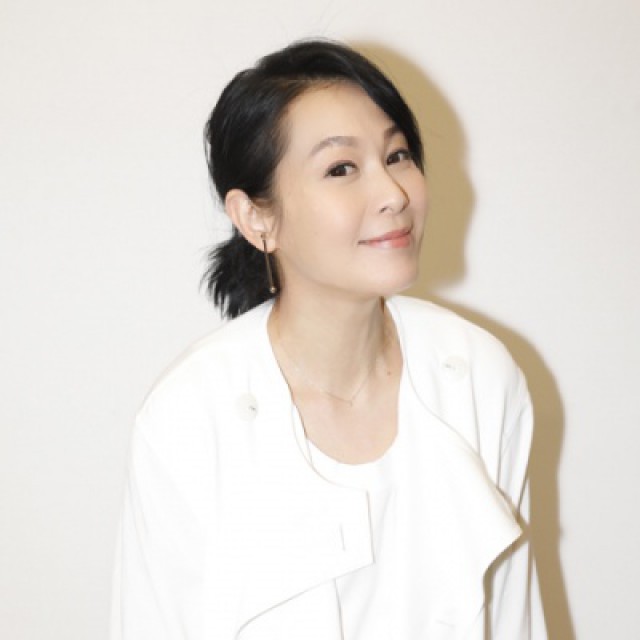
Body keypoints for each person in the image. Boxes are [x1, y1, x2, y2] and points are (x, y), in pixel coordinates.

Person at [110, 39, 546, 639]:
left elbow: (517, 618)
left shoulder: (478, 375)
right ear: (256, 217)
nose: (393, 194)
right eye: (342, 168)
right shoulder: (188, 418)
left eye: (397, 155)